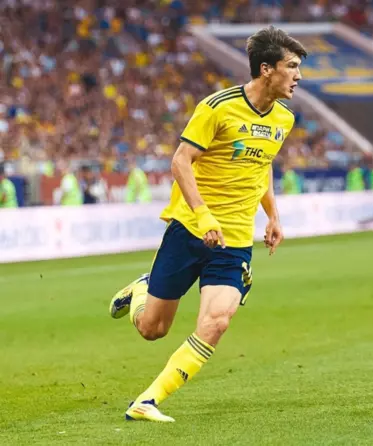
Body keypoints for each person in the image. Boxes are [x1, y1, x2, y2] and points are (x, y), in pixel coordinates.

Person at [108, 25, 307, 422]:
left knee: (217, 320)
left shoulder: (284, 119)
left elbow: (262, 165)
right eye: (291, 66)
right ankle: (143, 288)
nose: (298, 76)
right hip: (190, 229)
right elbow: (180, 161)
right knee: (152, 329)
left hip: (234, 241)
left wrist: (273, 215)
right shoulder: (217, 107)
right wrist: (203, 215)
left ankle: (147, 401)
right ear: (266, 69)